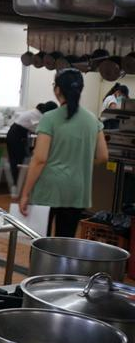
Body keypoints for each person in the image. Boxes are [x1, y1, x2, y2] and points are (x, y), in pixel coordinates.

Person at [20, 69, 108, 238]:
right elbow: (103, 156)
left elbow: (39, 160)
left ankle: (41, 266)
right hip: (77, 190)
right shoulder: (92, 120)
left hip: (48, 189)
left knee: (39, 242)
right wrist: (79, 161)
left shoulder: (49, 118)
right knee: (64, 244)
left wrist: (25, 193)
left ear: (58, 90)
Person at [5, 101, 57, 184]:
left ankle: (17, 185)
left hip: (15, 135)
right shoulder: (38, 116)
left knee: (18, 159)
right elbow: (42, 130)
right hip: (16, 137)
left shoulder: (35, 112)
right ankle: (17, 185)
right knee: (18, 160)